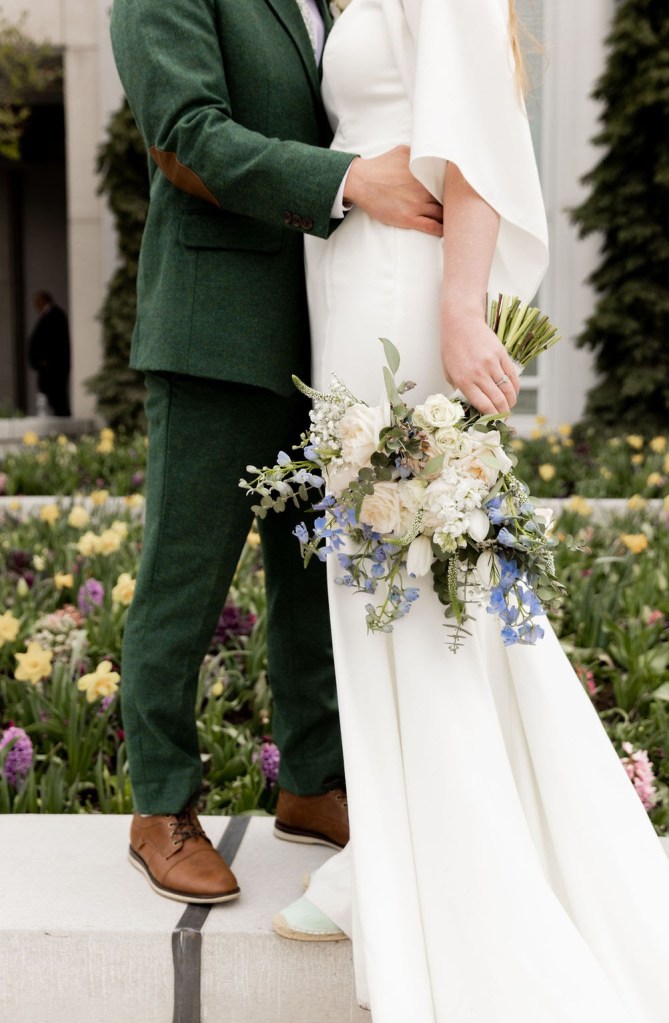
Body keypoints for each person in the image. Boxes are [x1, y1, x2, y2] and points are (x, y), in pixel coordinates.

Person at [272, 0, 669, 1019]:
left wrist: (461, 310)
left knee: (413, 586)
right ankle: (396, 848)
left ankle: (444, 868)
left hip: (400, 298)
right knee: (405, 589)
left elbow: (476, 144)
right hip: (361, 285)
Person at [108, 0, 442, 904]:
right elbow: (185, 135)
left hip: (323, 327)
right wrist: (350, 180)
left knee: (312, 579)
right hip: (213, 332)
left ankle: (311, 782)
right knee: (183, 579)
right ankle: (161, 807)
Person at [28, 290, 71, 417]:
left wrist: (46, 359)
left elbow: (55, 341)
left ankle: (62, 419)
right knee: (48, 396)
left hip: (54, 367)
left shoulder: (55, 315)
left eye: (37, 301)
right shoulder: (47, 315)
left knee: (57, 396)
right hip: (46, 367)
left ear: (44, 300)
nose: (35, 305)